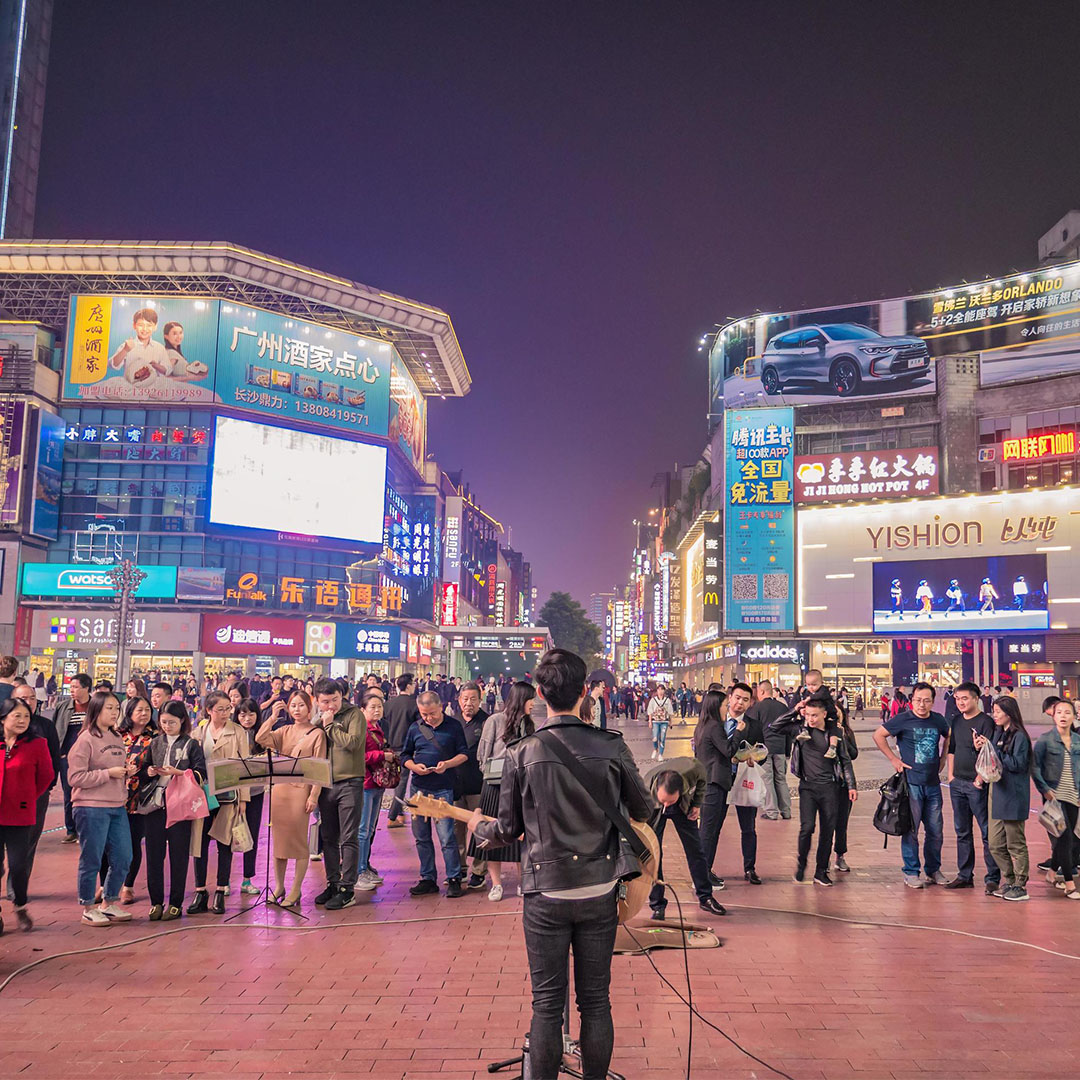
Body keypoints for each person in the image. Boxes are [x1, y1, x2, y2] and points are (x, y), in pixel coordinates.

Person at [467, 649, 653, 1080]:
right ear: (584, 692)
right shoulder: (611, 745)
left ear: (539, 694)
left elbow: (509, 829)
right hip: (599, 889)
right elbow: (642, 808)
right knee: (596, 1002)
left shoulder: (522, 752)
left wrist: (480, 826)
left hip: (546, 891)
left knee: (547, 1006)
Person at [770, 697, 856, 885]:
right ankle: (801, 865)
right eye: (808, 715)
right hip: (808, 788)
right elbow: (774, 727)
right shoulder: (800, 730)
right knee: (807, 827)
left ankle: (820, 870)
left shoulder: (835, 734)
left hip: (830, 789)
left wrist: (851, 786)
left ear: (824, 714)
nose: (811, 719)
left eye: (815, 715)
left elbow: (846, 760)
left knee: (827, 831)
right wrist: (795, 710)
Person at [873, 681, 949, 888]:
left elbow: (948, 735)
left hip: (933, 784)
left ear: (933, 702)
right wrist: (893, 760)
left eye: (926, 701)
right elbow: (878, 735)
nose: (922, 705)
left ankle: (933, 870)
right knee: (911, 830)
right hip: (911, 785)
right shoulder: (902, 720)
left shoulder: (938, 720)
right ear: (911, 700)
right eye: (917, 700)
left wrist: (943, 759)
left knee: (935, 831)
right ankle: (911, 871)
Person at [68, 690, 134, 926]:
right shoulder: (85, 739)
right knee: (92, 858)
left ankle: (109, 902)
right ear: (96, 710)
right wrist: (108, 774)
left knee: (124, 856)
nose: (115, 712)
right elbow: (75, 777)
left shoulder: (116, 738)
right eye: (109, 708)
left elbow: (116, 768)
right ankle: (88, 905)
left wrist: (125, 772)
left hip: (117, 805)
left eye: (117, 708)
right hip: (90, 807)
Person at [135, 701, 206, 921]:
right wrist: (148, 770)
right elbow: (143, 772)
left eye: (172, 722)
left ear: (182, 721)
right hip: (156, 805)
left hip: (180, 806)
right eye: (164, 722)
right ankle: (156, 901)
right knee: (154, 856)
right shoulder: (154, 743)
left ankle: (176, 903)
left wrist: (179, 772)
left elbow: (201, 773)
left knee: (179, 855)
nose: (167, 726)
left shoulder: (191, 744)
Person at [256, 691, 326, 907]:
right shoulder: (284, 730)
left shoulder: (317, 734)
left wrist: (314, 795)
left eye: (301, 705)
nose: (297, 709)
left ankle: (295, 889)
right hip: (280, 789)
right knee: (279, 842)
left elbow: (320, 767)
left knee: (297, 841)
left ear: (309, 708)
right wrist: (272, 717)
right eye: (293, 705)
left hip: (301, 791)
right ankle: (279, 886)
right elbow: (260, 739)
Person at [402, 690, 468, 897]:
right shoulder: (415, 728)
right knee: (421, 837)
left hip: (443, 788)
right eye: (424, 714)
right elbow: (404, 754)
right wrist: (414, 766)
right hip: (418, 788)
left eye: (432, 713)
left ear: (441, 707)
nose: (428, 718)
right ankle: (428, 877)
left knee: (447, 837)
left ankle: (454, 877)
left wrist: (447, 764)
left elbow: (464, 754)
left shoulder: (454, 726)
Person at [474, 681, 536, 902]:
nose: (533, 703)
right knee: (492, 834)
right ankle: (496, 884)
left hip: (519, 786)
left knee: (520, 835)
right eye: (530, 699)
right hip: (494, 785)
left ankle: (523, 881)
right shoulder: (495, 720)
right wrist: (492, 773)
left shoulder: (529, 724)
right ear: (521, 699)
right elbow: (483, 753)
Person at [189, 692, 249, 915]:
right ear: (209, 710)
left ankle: (221, 890)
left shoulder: (238, 732)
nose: (225, 713)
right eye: (220, 709)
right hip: (202, 794)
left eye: (228, 709)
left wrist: (244, 799)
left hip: (228, 793)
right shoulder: (198, 732)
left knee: (224, 842)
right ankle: (200, 890)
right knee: (199, 843)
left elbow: (245, 766)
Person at [311, 677, 367, 911]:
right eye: (325, 701)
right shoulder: (319, 718)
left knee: (348, 837)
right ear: (317, 700)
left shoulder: (354, 715)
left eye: (335, 699)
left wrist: (331, 725)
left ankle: (347, 888)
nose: (331, 705)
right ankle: (333, 882)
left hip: (349, 782)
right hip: (325, 784)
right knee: (328, 837)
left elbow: (352, 743)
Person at [646, 759, 727, 918]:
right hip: (653, 809)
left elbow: (703, 781)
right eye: (664, 801)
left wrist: (696, 804)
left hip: (683, 807)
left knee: (696, 850)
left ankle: (706, 897)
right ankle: (657, 904)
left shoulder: (694, 769)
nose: (667, 805)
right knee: (654, 855)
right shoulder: (645, 787)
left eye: (671, 800)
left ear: (681, 790)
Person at [0, 696, 54, 931]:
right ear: (3, 718)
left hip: (20, 814)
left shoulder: (37, 744)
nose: (22, 720)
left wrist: (28, 796)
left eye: (26, 716)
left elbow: (46, 776)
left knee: (18, 864)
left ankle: (20, 904)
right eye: (17, 715)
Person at [943, 681, 999, 894]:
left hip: (977, 785)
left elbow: (989, 753)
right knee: (962, 831)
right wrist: (950, 776)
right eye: (957, 699)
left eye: (964, 698)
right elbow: (952, 749)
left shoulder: (986, 722)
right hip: (957, 784)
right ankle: (965, 875)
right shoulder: (956, 721)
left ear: (976, 698)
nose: (960, 702)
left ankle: (992, 878)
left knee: (986, 832)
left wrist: (979, 779)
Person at [705, 682, 762, 885]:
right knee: (713, 827)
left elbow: (762, 751)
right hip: (719, 782)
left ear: (750, 703)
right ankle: (707, 868)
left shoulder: (753, 725)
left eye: (745, 700)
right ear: (730, 697)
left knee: (748, 827)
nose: (740, 703)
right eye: (737, 697)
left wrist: (755, 757)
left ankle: (750, 868)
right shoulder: (717, 722)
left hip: (742, 780)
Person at [9, 682, 60, 899]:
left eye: (31, 698)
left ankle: (17, 887)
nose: (28, 702)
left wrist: (42, 790)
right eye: (23, 698)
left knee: (27, 842)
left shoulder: (44, 727)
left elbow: (53, 762)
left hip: (34, 797)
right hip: (5, 797)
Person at [979, 696, 1031, 901]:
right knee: (995, 842)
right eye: (994, 711)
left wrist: (995, 752)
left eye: (998, 711)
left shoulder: (1019, 737)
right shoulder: (998, 733)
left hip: (1014, 794)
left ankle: (1020, 883)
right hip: (997, 792)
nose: (995, 715)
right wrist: (983, 748)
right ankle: (1008, 879)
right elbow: (992, 760)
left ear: (1009, 712)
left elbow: (1019, 764)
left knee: (1015, 842)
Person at [1032, 699, 1080, 900]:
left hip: (1074, 796)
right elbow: (1034, 767)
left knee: (1068, 838)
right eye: (1059, 712)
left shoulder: (1078, 740)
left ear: (1073, 716)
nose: (1063, 716)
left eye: (1067, 712)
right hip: (1054, 797)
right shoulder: (1045, 740)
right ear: (1053, 715)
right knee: (1065, 837)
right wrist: (1044, 789)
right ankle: (1069, 883)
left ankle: (1052, 871)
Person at [115, 695, 158, 905]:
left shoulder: (155, 737)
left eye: (147, 710)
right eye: (139, 710)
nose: (144, 714)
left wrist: (141, 773)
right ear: (129, 712)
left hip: (140, 798)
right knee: (110, 844)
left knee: (133, 843)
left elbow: (156, 767)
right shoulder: (117, 735)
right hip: (114, 796)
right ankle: (106, 886)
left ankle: (128, 886)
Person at [452, 682, 489, 890]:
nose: (468, 703)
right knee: (456, 830)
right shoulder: (453, 722)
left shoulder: (487, 722)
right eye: (465, 699)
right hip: (456, 785)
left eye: (473, 699)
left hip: (479, 785)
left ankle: (479, 870)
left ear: (480, 700)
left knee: (480, 830)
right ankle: (459, 868)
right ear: (459, 700)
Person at [356, 691, 394, 891]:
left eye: (379, 706)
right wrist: (382, 755)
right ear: (362, 709)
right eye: (372, 707)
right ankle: (358, 871)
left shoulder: (377, 727)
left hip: (377, 784)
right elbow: (358, 756)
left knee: (370, 829)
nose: (377, 710)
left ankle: (365, 865)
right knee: (362, 830)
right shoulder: (361, 729)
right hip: (365, 784)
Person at [53, 672, 93, 842]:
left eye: (76, 687)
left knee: (89, 793)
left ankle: (87, 830)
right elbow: (56, 731)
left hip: (90, 757)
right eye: (71, 687)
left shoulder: (96, 706)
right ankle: (71, 830)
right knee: (69, 793)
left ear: (87, 688)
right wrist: (58, 752)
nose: (72, 690)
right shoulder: (62, 707)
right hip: (66, 757)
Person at [233, 697, 265, 896]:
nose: (247, 718)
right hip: (233, 792)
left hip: (256, 791)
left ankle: (247, 879)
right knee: (229, 834)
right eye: (243, 714)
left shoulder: (260, 735)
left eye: (251, 714)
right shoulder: (231, 734)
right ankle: (224, 880)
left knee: (251, 834)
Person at [749, 680, 792, 821]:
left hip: (764, 749)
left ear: (761, 692)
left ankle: (771, 811)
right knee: (781, 779)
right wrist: (787, 751)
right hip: (780, 748)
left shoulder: (757, 708)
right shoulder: (782, 707)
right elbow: (788, 731)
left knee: (767, 779)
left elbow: (753, 730)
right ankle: (786, 811)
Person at [383, 674, 419, 828]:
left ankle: (399, 815)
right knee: (402, 782)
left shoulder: (388, 704)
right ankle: (392, 817)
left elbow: (383, 725)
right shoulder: (414, 704)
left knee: (398, 780)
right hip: (407, 750)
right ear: (409, 685)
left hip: (390, 749)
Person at [832, 704, 860, 873]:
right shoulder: (822, 731)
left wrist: (842, 736)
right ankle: (823, 857)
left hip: (843, 783)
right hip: (826, 784)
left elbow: (854, 754)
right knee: (827, 823)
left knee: (841, 823)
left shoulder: (847, 732)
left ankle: (840, 856)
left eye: (838, 712)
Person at [647, 684, 674, 762]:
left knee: (662, 738)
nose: (660, 691)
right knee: (655, 738)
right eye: (659, 690)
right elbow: (650, 711)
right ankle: (655, 749)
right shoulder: (653, 700)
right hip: (655, 721)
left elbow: (670, 711)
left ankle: (660, 754)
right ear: (657, 691)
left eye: (662, 690)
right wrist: (650, 721)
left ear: (664, 691)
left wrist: (670, 722)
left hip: (664, 721)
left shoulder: (667, 700)